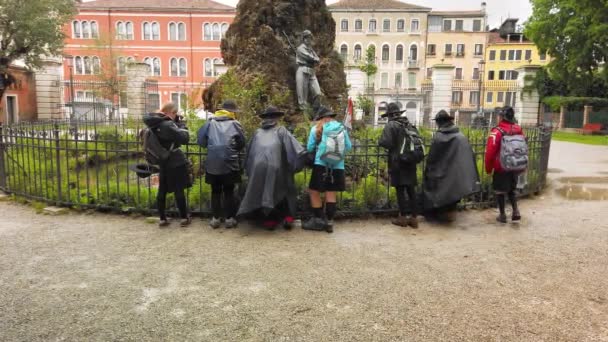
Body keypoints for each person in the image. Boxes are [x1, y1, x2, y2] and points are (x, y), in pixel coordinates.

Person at [237, 106, 305, 230]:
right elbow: (295, 149)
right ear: (277, 118)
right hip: (277, 166)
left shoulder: (257, 132)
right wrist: (296, 163)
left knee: (265, 191)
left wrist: (250, 169)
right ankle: (288, 218)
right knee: (285, 187)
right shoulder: (282, 130)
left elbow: (249, 153)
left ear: (265, 119)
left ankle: (270, 220)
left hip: (258, 168)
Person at [423, 110, 480, 222]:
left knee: (436, 187)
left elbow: (432, 158)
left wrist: (429, 170)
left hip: (442, 172)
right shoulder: (461, 136)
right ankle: (450, 213)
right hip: (456, 173)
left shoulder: (439, 136)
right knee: (452, 190)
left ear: (440, 122)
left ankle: (441, 214)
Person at [302, 106, 352, 233]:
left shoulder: (316, 129)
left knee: (314, 192)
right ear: (331, 117)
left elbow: (310, 147)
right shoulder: (341, 129)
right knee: (331, 193)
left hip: (321, 164)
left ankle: (319, 220)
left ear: (321, 118)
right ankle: (329, 222)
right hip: (337, 166)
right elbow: (348, 146)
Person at [197, 99, 246, 229]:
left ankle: (215, 219)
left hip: (213, 161)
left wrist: (212, 147)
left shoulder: (209, 123)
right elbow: (242, 142)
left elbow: (201, 141)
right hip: (230, 161)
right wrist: (233, 150)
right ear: (231, 112)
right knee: (229, 191)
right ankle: (229, 219)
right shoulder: (235, 124)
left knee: (215, 191)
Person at [143, 102, 191, 227]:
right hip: (175, 160)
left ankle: (162, 219)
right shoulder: (168, 124)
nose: (176, 116)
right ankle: (184, 218)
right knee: (178, 189)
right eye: (175, 114)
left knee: (162, 190)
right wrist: (181, 125)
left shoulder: (153, 123)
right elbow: (185, 138)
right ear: (171, 112)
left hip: (162, 161)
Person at [378, 103, 420, 228]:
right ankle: (414, 218)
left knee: (400, 190)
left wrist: (380, 141)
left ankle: (402, 217)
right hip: (410, 161)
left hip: (398, 162)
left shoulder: (391, 125)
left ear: (389, 115)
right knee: (411, 190)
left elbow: (386, 143)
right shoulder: (410, 125)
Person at [485, 106, 525, 223]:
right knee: (512, 190)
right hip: (515, 165)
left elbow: (490, 152)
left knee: (500, 191)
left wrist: (488, 168)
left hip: (501, 166)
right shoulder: (518, 129)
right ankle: (515, 211)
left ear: (502, 117)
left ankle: (502, 215)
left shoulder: (497, 131)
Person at [296, 30, 322, 111]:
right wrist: (314, 59)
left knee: (317, 93)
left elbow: (317, 58)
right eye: (307, 38)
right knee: (303, 96)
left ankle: (315, 110)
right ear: (304, 38)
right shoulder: (300, 48)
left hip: (311, 71)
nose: (309, 40)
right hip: (302, 70)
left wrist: (315, 59)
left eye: (310, 38)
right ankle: (305, 114)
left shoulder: (310, 49)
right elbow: (309, 57)